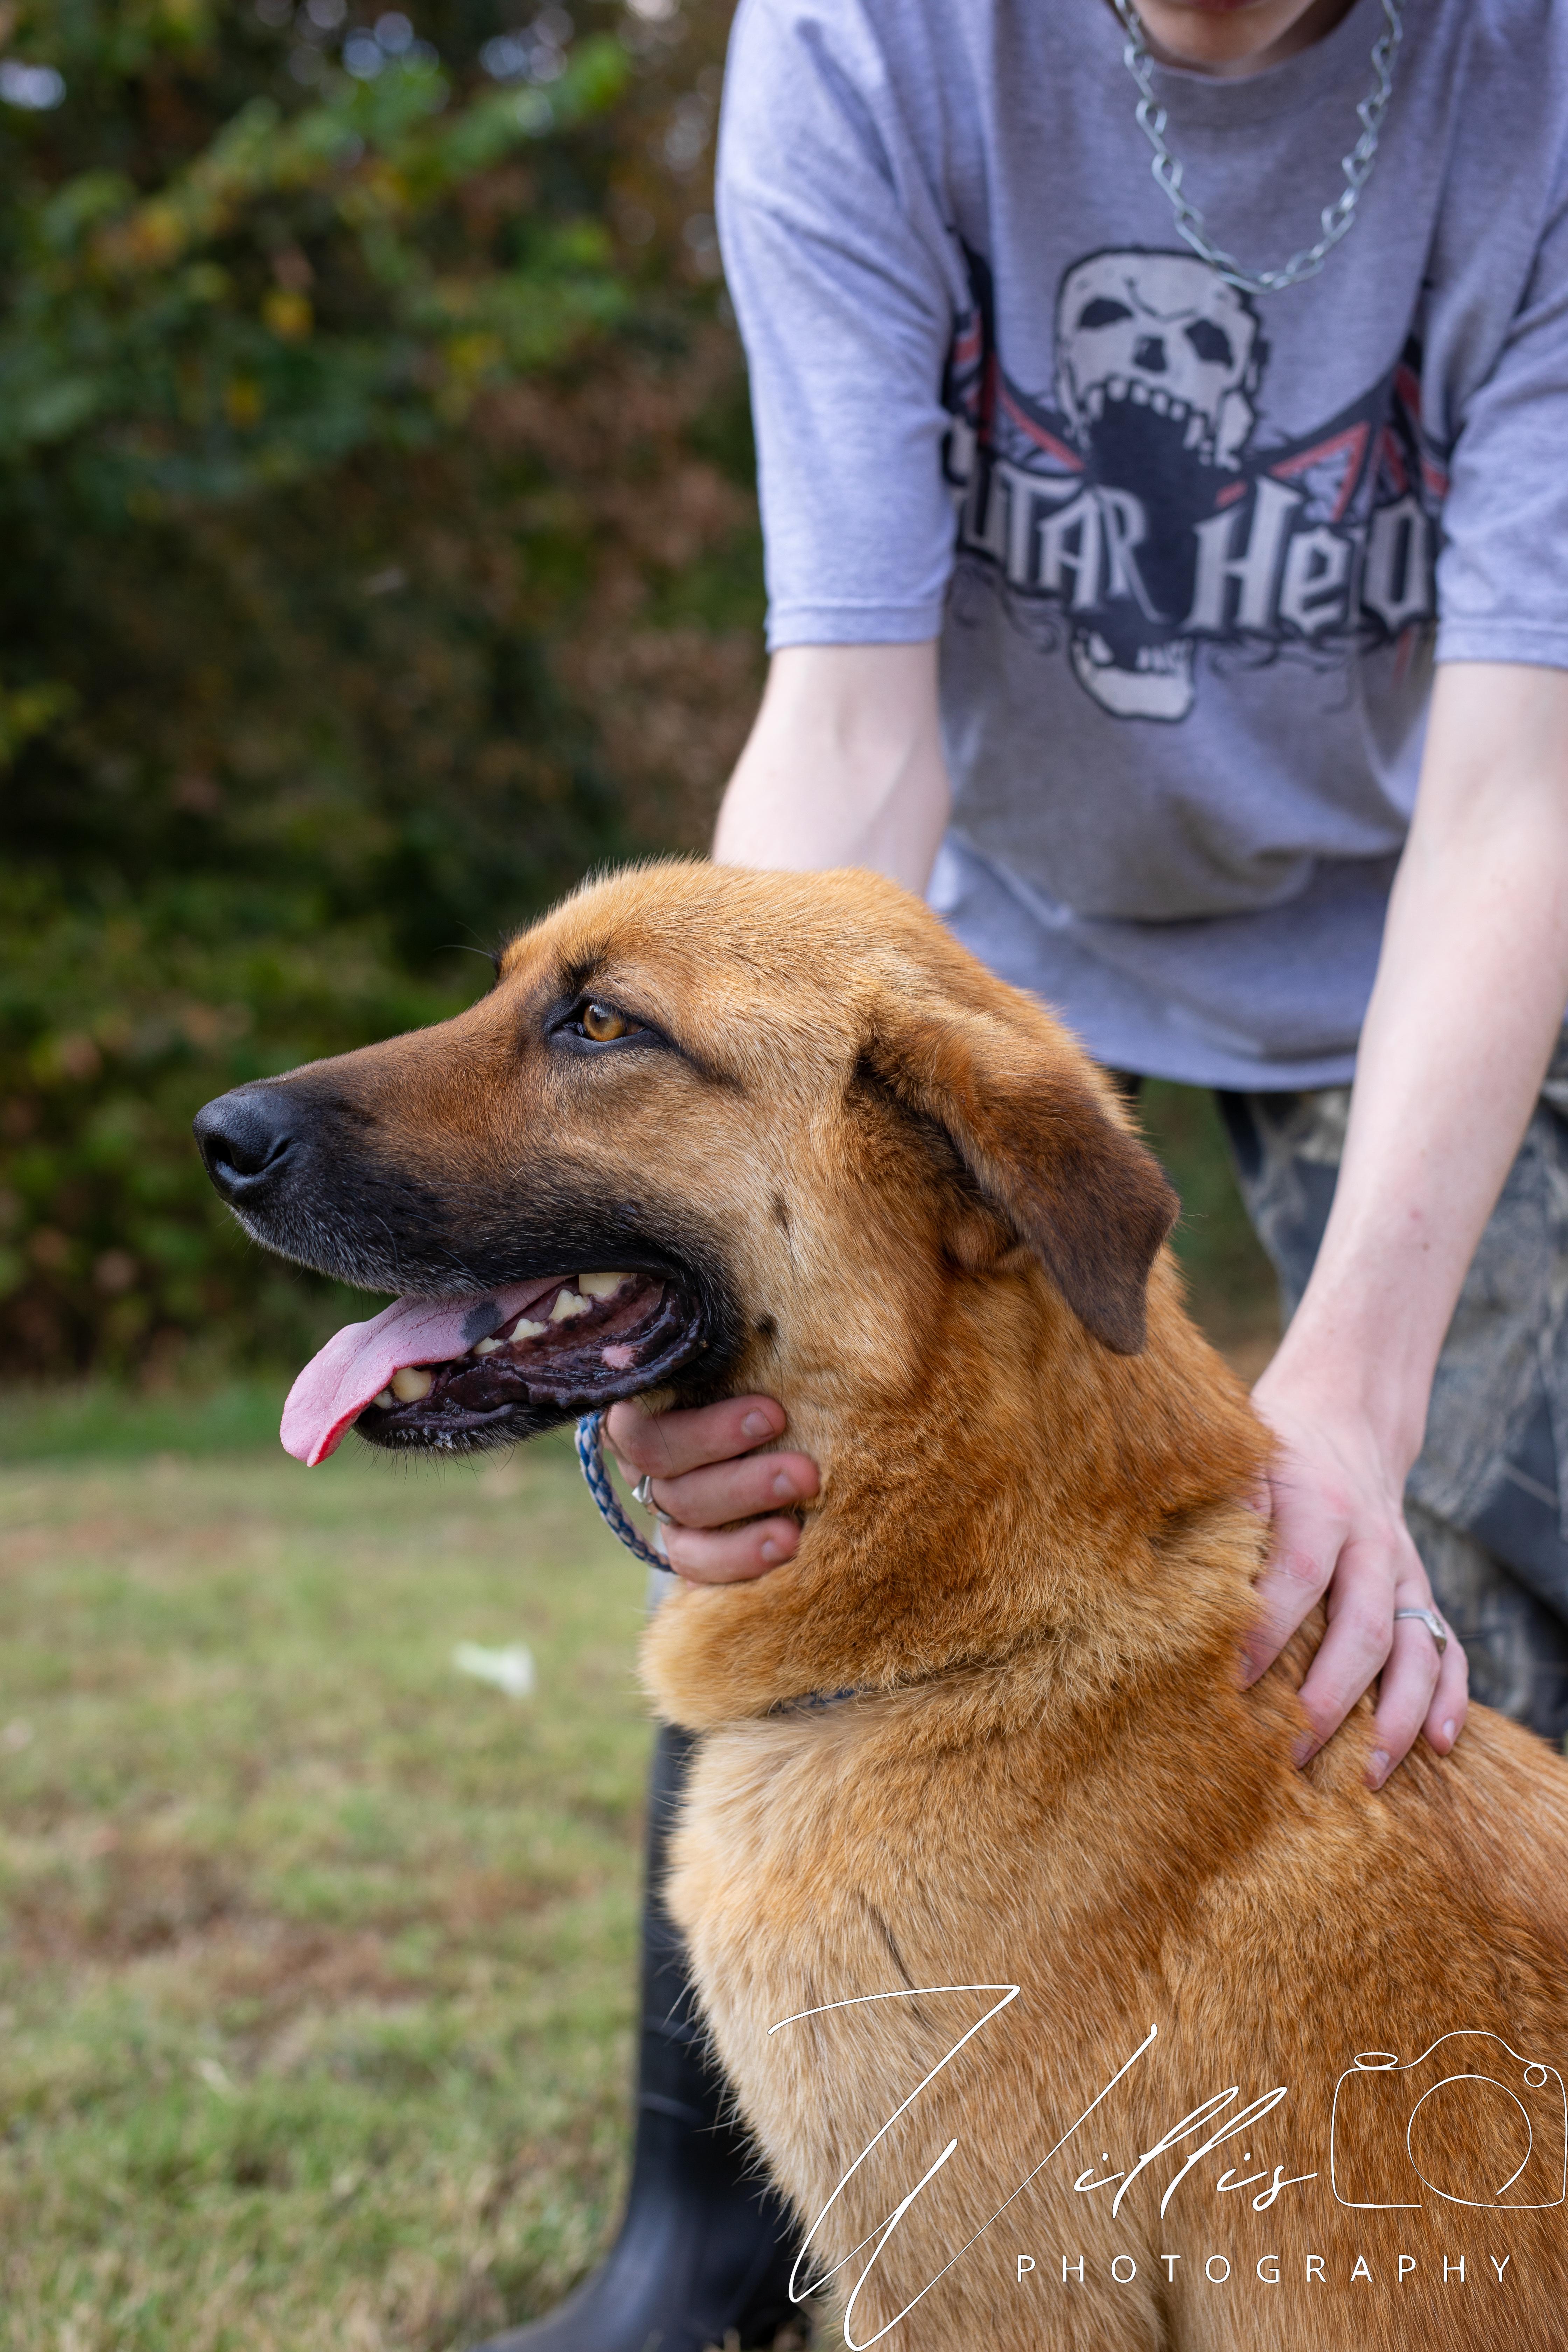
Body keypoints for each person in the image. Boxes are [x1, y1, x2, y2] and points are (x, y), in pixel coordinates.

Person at [472, 1, 1568, 2346]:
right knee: (823, 1511)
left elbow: (1520, 800)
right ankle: (706, 2247)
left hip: (1446, 963)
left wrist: (1350, 1408)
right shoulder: (872, 44)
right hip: (1001, 988)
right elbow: (848, 728)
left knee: (1396, 1641)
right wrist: (701, 1268)